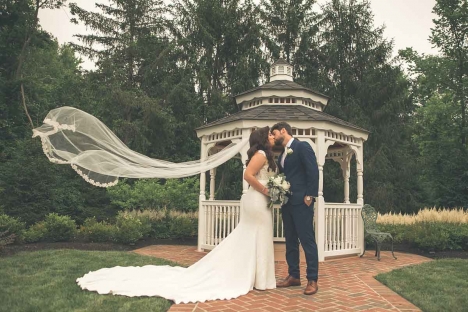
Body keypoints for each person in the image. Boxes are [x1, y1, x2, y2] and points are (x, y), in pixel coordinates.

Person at [76, 126, 277, 303]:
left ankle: (258, 277)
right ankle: (258, 278)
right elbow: (248, 176)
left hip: (257, 202)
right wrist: (267, 191)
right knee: (255, 235)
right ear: (262, 138)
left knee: (253, 237)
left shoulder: (263, 155)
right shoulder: (260, 154)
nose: (272, 136)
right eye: (270, 134)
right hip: (257, 201)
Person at [270, 122, 319, 295]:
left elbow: (313, 171)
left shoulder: (302, 146)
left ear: (283, 130)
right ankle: (294, 276)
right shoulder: (282, 154)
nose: (273, 137)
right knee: (290, 240)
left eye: (274, 133)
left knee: (307, 240)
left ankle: (312, 279)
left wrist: (310, 195)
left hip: (302, 202)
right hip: (287, 203)